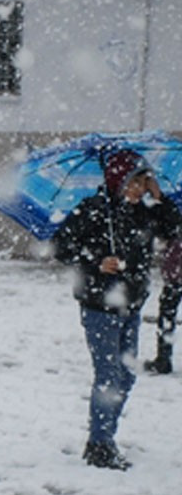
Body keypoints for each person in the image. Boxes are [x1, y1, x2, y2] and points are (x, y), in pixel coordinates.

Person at [52, 149, 182, 470]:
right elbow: (62, 247)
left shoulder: (146, 213)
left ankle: (105, 436)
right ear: (117, 180)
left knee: (126, 376)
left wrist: (159, 197)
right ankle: (100, 445)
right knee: (108, 375)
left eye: (143, 181)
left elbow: (174, 230)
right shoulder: (94, 210)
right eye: (133, 182)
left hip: (131, 306)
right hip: (99, 305)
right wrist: (96, 262)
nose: (138, 188)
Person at [145, 236, 182, 375]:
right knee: (167, 314)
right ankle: (163, 359)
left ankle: (164, 359)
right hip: (174, 276)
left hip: (175, 277)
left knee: (167, 315)